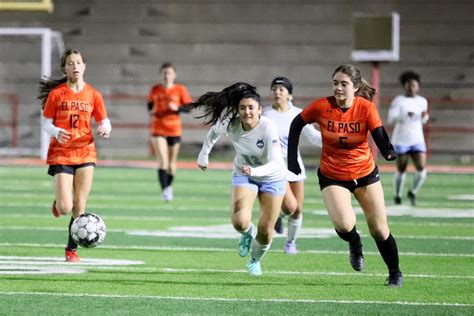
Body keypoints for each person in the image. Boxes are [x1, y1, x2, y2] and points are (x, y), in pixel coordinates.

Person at [287, 64, 403, 287]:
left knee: (379, 228)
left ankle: (395, 272)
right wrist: (292, 160)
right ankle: (355, 243)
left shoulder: (365, 108)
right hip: (333, 175)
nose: (338, 88)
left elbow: (379, 134)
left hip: (365, 173)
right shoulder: (321, 106)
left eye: (344, 84)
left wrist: (388, 151)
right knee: (343, 224)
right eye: (335, 83)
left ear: (356, 87)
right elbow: (296, 124)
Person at [190, 82, 287, 276]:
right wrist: (203, 155)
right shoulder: (232, 124)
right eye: (242, 108)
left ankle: (255, 259)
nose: (247, 112)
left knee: (266, 231)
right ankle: (247, 235)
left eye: (251, 108)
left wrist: (255, 171)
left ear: (260, 109)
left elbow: (276, 163)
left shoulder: (268, 128)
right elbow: (213, 133)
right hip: (244, 174)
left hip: (272, 178)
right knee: (239, 222)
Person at [38, 49, 112, 262]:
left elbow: (103, 120)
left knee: (80, 205)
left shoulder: (93, 94)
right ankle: (60, 201)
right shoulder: (57, 94)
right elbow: (46, 122)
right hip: (61, 153)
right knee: (64, 208)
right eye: (71, 63)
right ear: (65, 68)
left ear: (84, 66)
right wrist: (55, 131)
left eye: (78, 62)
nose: (75, 66)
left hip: (85, 151)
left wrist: (105, 128)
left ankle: (71, 250)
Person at [262, 77, 322, 254]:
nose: (277, 92)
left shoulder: (298, 114)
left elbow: (313, 137)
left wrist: (333, 138)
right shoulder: (265, 114)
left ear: (290, 95)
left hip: (295, 166)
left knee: (298, 211)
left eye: (281, 89)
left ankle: (291, 242)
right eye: (274, 89)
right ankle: (281, 214)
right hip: (276, 168)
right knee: (290, 206)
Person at [147, 62, 192, 202]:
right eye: (164, 73)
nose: (167, 76)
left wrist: (177, 108)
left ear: (174, 75)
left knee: (172, 165)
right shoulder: (156, 89)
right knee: (163, 162)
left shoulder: (180, 89)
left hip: (174, 129)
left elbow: (189, 107)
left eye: (169, 73)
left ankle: (168, 186)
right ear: (161, 75)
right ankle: (165, 190)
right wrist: (153, 109)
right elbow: (149, 106)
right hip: (158, 128)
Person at [387, 71, 429, 206]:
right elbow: (391, 119)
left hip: (417, 139)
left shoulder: (422, 101)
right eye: (408, 84)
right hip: (401, 140)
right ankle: (397, 195)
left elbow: (423, 120)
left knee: (421, 168)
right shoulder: (398, 101)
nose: (411, 87)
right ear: (404, 85)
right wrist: (405, 115)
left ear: (418, 86)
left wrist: (424, 117)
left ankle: (413, 191)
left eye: (414, 85)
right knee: (401, 168)